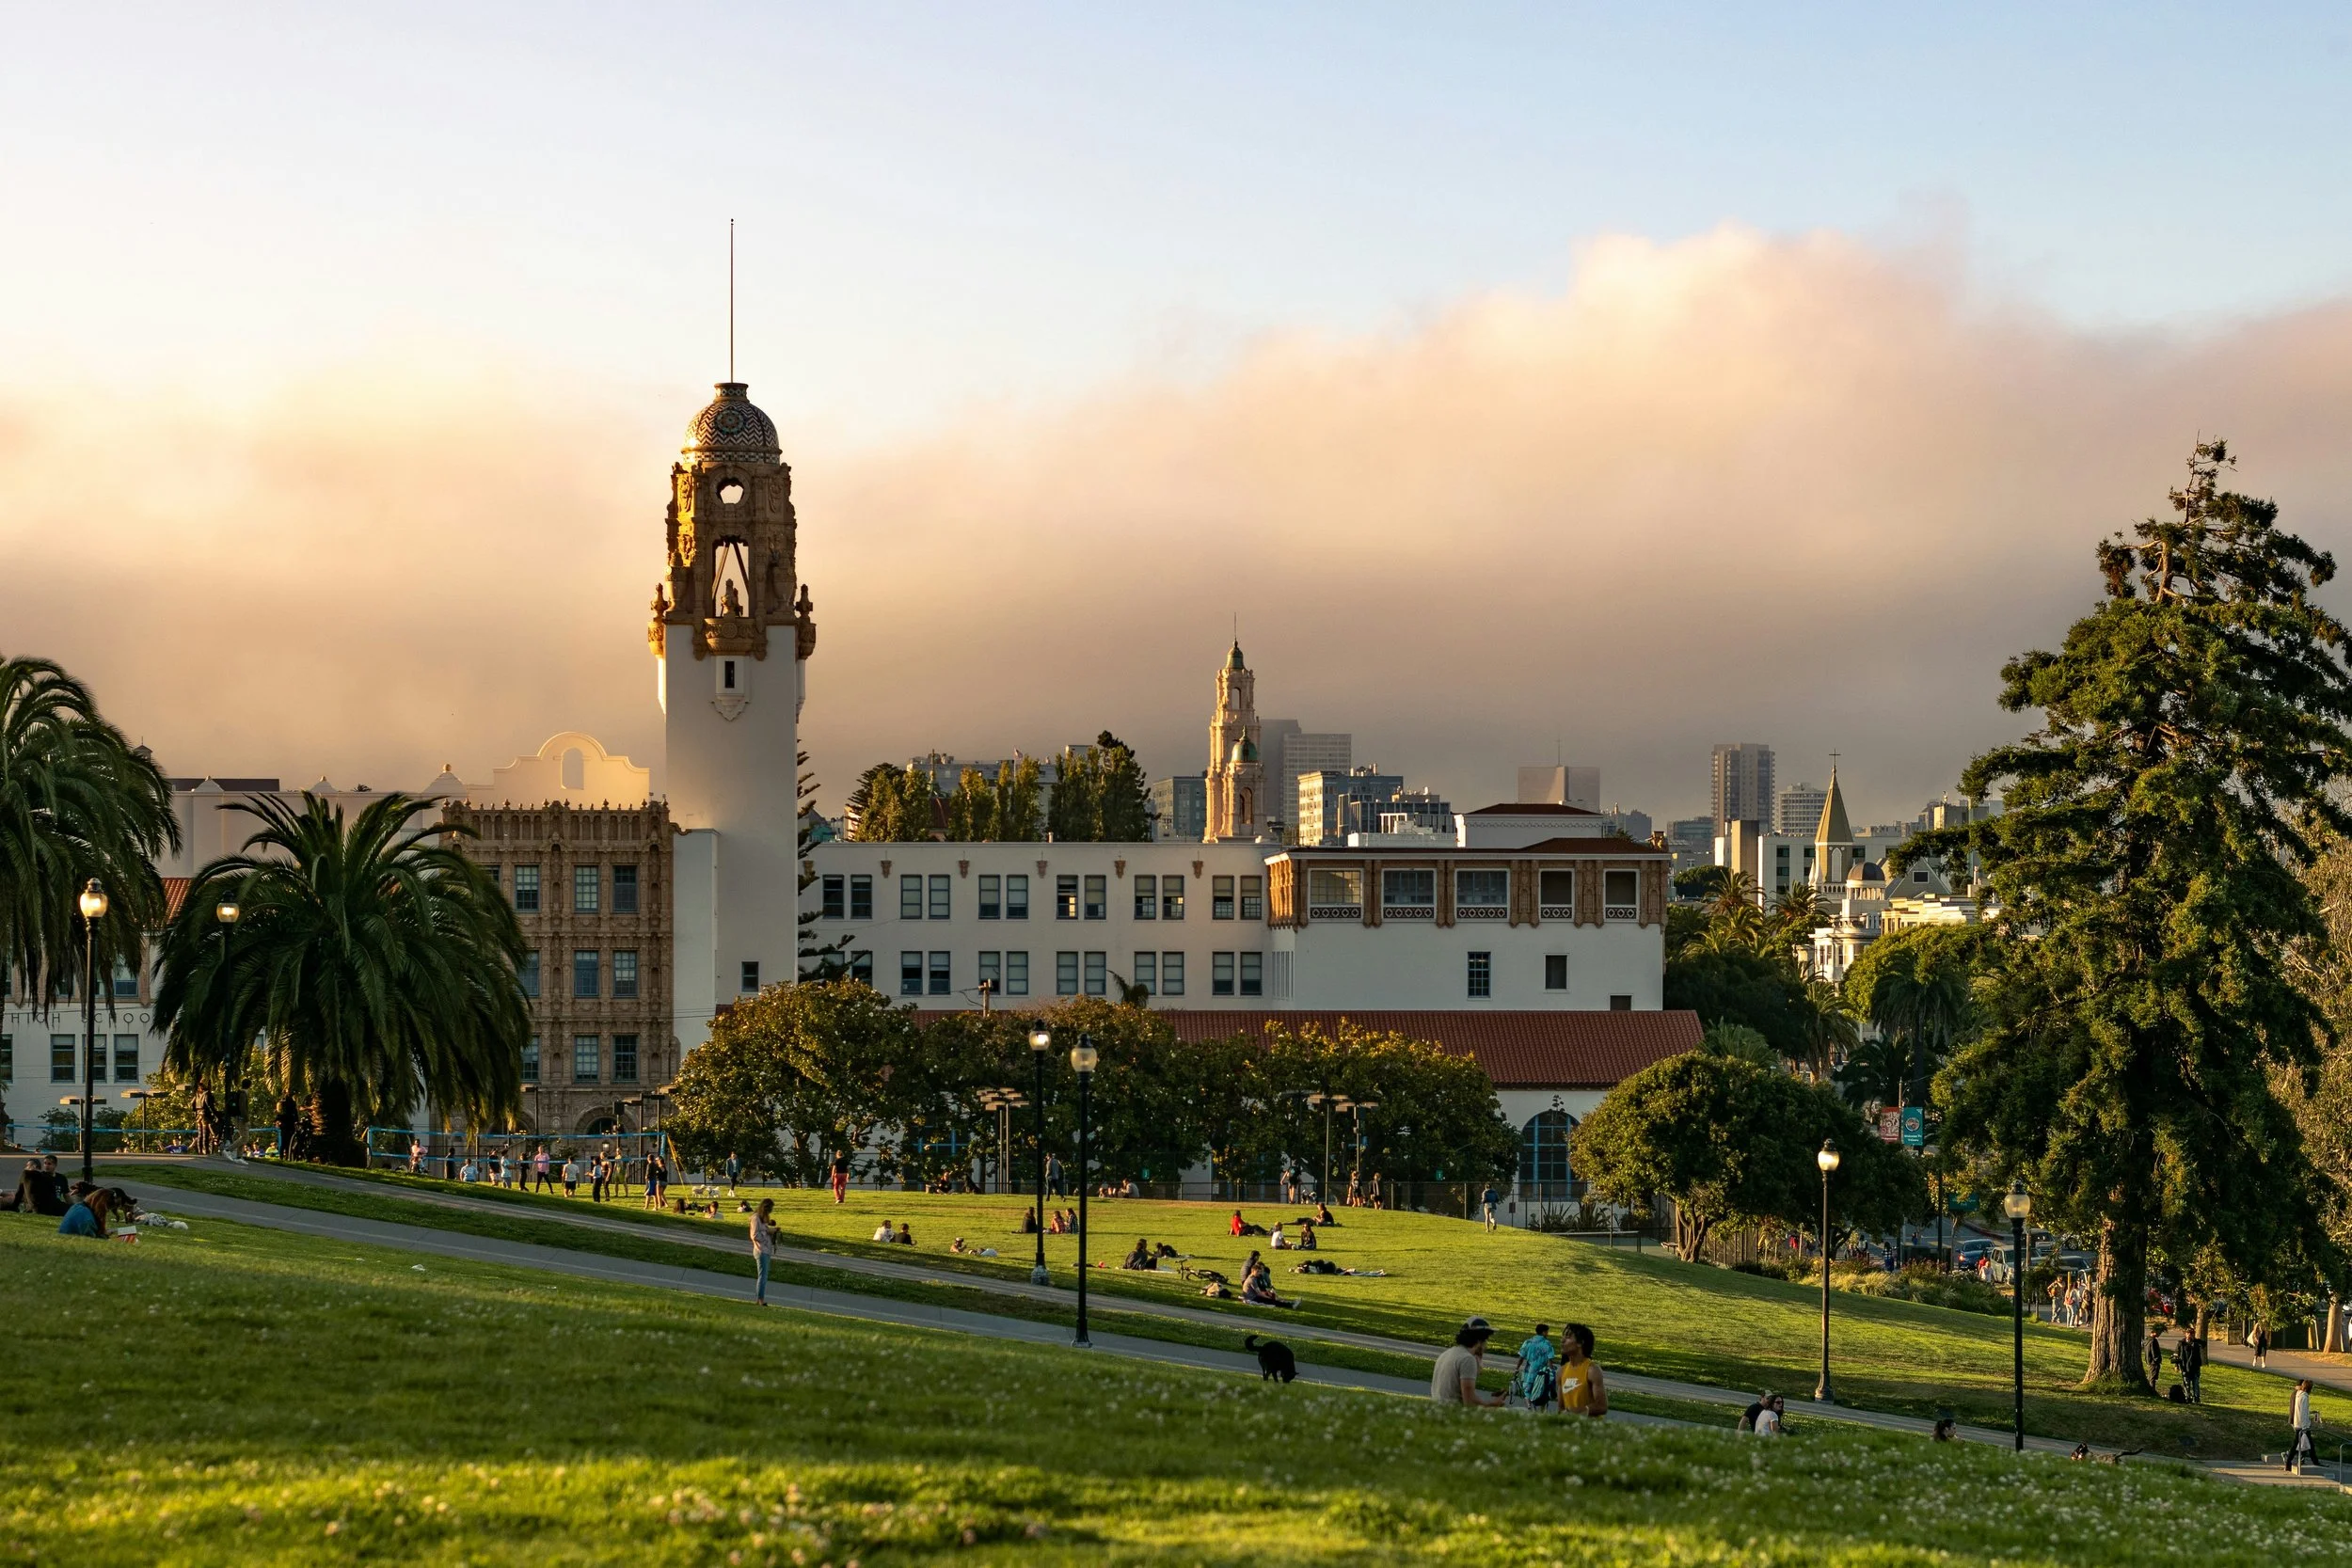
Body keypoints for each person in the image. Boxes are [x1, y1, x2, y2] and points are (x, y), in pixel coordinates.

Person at [1431, 1319, 1502, 1406]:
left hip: (1438, 1410)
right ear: (1480, 1341)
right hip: (1454, 1414)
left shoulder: (1447, 1353)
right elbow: (1469, 1402)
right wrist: (1493, 1404)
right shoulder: (1467, 1359)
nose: (1486, 1345)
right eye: (1486, 1340)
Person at [1555, 1323, 1608, 1419]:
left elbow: (1602, 1407)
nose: (1562, 1340)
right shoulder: (1561, 1372)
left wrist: (1579, 1411)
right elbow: (1561, 1409)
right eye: (1563, 1336)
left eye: (1568, 1337)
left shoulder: (1592, 1370)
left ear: (1580, 1343)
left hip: (1591, 1430)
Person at [1512, 1324, 1558, 1409]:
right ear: (1543, 1332)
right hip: (1541, 1375)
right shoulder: (1547, 1344)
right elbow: (1549, 1361)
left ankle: (1529, 1407)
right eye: (1547, 1332)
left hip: (1528, 1373)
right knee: (1542, 1394)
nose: (1548, 1334)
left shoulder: (1528, 1342)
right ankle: (1541, 1412)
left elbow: (1521, 1358)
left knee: (1527, 1392)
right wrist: (1552, 1372)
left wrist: (1516, 1369)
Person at [750, 1197, 780, 1306]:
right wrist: (765, 1237)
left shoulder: (762, 1219)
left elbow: (764, 1230)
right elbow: (754, 1235)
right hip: (760, 1249)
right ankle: (760, 1299)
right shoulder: (755, 1218)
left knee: (764, 1275)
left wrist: (772, 1231)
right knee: (762, 1276)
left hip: (766, 1249)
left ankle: (759, 1299)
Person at [2288, 1379, 2319, 1475]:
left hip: (2298, 1423)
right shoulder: (2304, 1397)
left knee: (2303, 1444)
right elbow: (2303, 1413)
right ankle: (2289, 1461)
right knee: (2299, 1445)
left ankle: (2315, 1461)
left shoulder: (2298, 1395)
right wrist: (2306, 1426)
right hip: (2303, 1425)